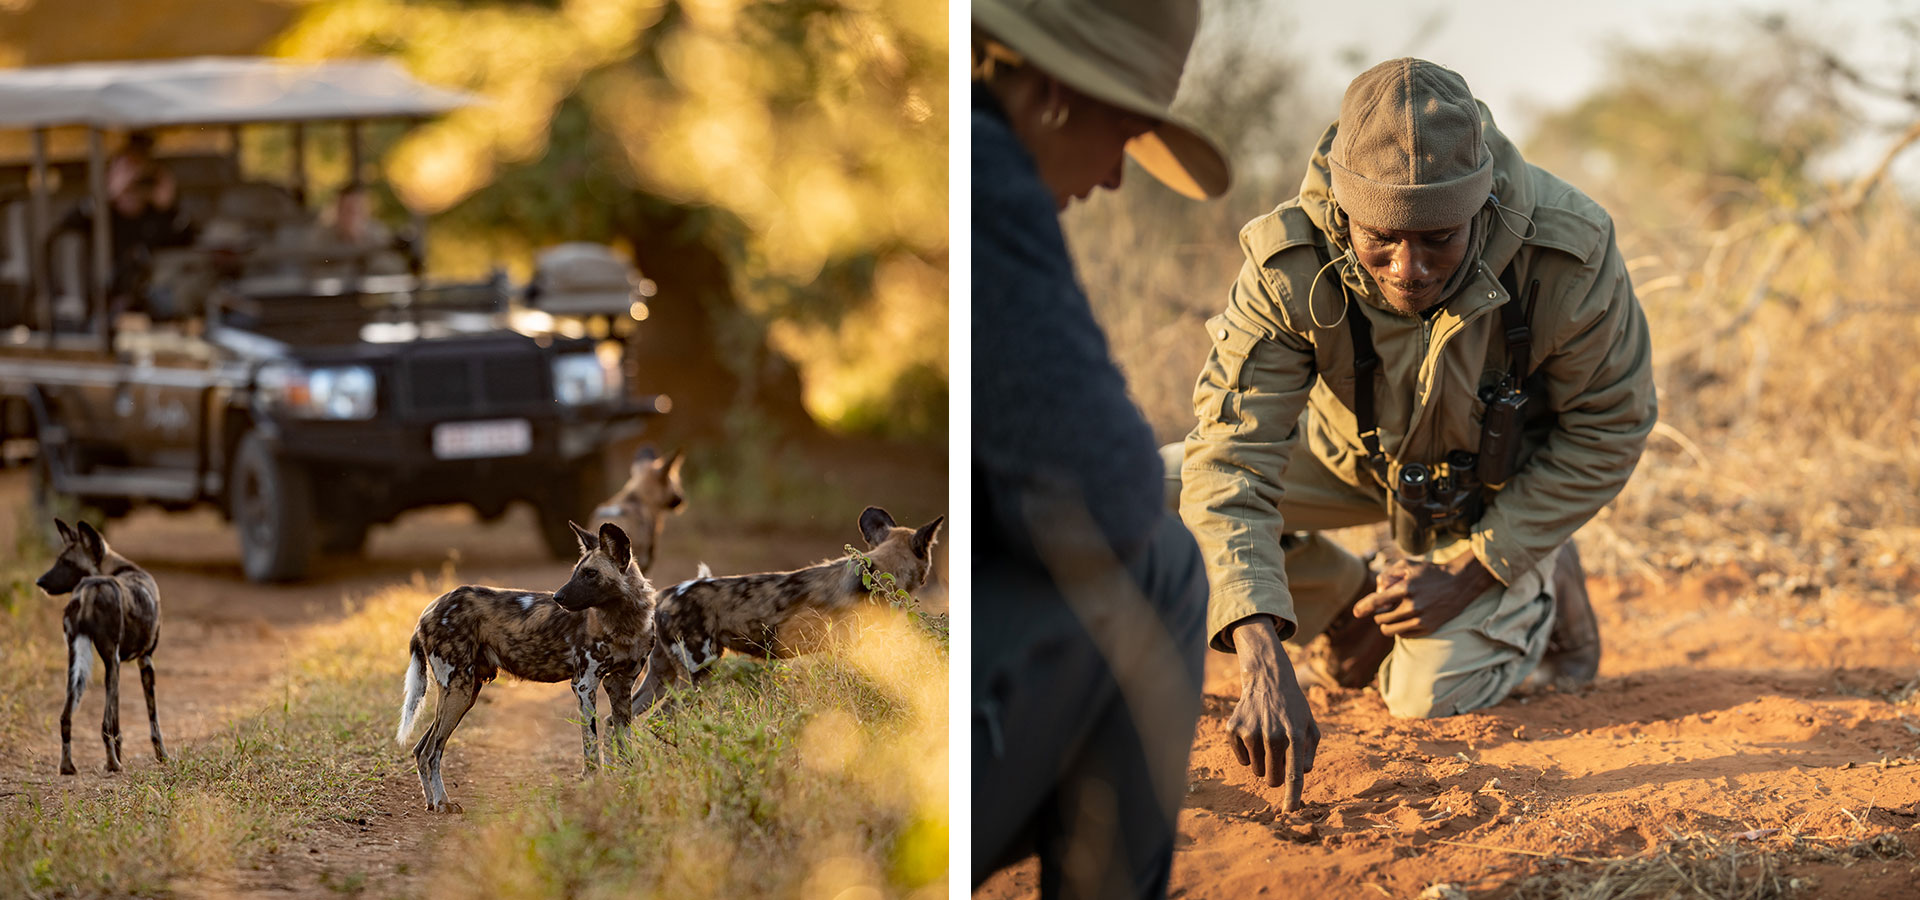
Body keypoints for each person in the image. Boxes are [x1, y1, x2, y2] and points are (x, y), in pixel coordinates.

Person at [1170, 59, 1656, 799]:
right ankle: (1344, 601)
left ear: (1483, 204)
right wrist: (1262, 652)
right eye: (1382, 240)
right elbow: (1230, 462)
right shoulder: (1287, 263)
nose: (1409, 269)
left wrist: (1473, 571)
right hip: (1350, 468)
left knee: (1420, 698)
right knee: (1135, 489)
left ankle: (1541, 567)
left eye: (1438, 239)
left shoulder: (1569, 250)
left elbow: (1610, 428)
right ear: (1341, 209)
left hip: (1493, 494)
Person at [971, 0, 1232, 896]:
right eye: (1124, 130)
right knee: (1161, 564)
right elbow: (1111, 487)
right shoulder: (984, 172)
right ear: (1050, 93)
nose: (1118, 178)